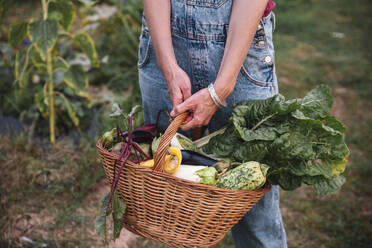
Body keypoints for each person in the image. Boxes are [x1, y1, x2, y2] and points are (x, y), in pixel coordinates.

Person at [138, 0, 287, 247]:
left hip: (241, 42)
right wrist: (168, 65)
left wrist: (221, 88)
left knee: (255, 210)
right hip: (164, 36)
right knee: (167, 197)